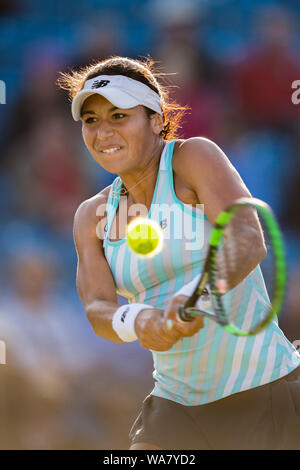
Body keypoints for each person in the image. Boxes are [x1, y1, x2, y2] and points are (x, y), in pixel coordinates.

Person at [58, 56, 300, 450]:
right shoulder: (91, 216)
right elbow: (98, 310)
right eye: (91, 120)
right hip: (175, 405)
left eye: (119, 116)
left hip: (261, 390)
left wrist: (197, 294)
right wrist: (139, 319)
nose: (103, 132)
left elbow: (247, 238)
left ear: (156, 120)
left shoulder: (194, 158)